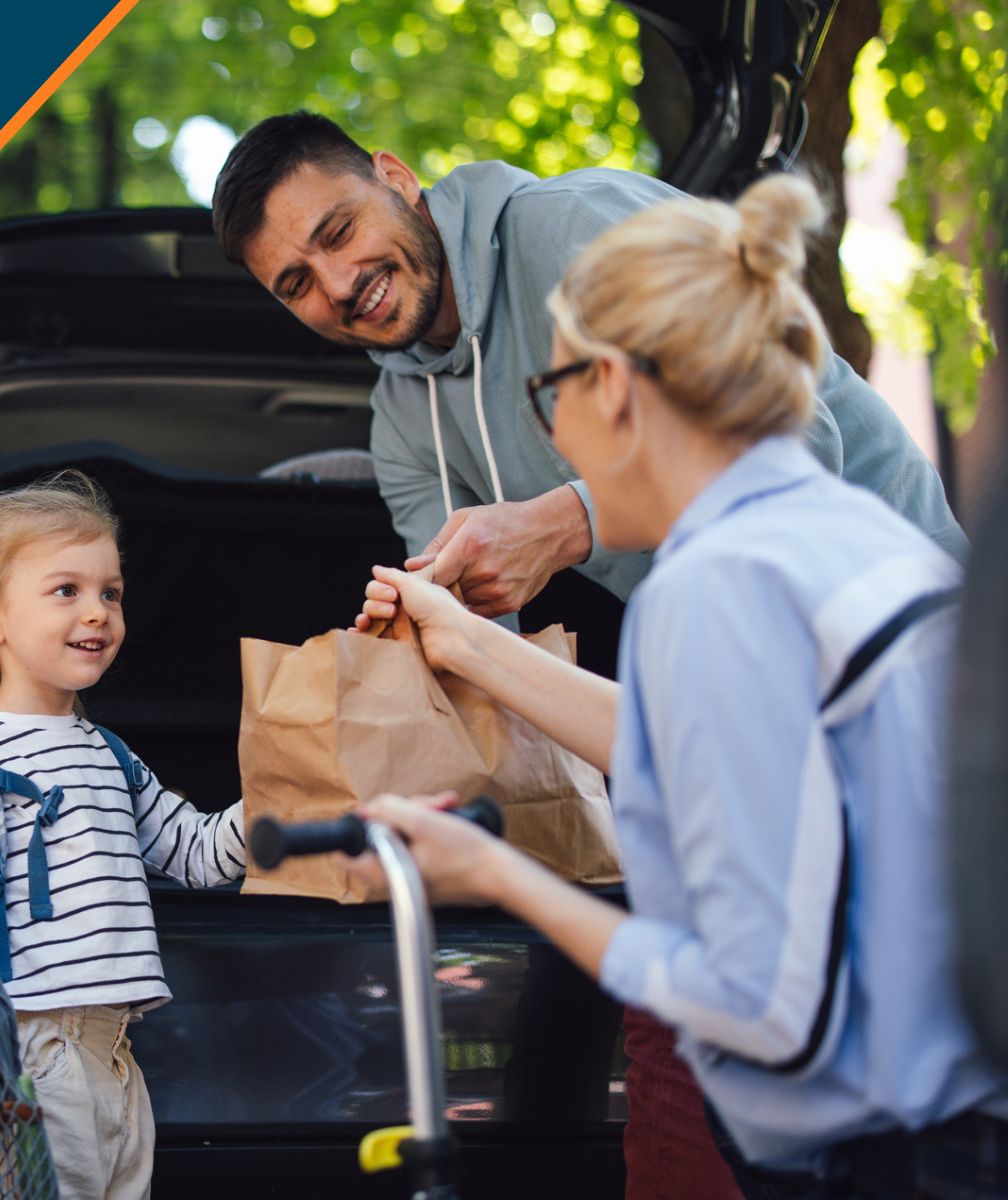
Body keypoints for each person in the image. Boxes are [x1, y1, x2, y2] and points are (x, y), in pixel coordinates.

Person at [350, 172, 1008, 1197]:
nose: (554, 439)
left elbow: (759, 1011)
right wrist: (465, 641)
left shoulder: (708, 586)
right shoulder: (860, 537)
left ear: (610, 388)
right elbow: (679, 741)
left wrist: (497, 877)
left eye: (549, 395)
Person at [211, 112, 965, 621]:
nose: (339, 284)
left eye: (339, 231)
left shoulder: (583, 228)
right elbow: (480, 640)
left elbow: (789, 436)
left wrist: (566, 523)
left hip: (906, 620)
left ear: (396, 178)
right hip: (753, 671)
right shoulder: (404, 426)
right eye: (297, 284)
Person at [0, 472, 246, 1200]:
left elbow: (197, 855)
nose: (97, 612)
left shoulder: (109, 753)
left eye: (111, 592)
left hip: (114, 1054)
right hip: (35, 1053)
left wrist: (278, 800)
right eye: (65, 591)